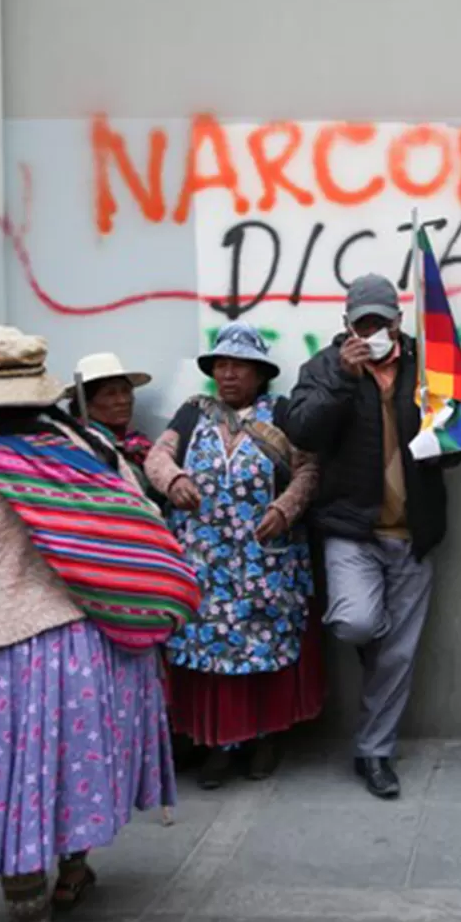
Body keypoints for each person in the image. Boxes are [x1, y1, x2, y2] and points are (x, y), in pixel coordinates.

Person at [0, 327, 183, 922]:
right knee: (67, 774)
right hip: (87, 651)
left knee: (17, 795)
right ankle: (74, 872)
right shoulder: (95, 458)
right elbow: (146, 532)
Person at [280, 274, 461, 799]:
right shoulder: (323, 368)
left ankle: (375, 752)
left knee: (399, 657)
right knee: (358, 622)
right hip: (350, 529)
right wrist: (342, 377)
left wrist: (445, 430)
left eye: (381, 321)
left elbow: (457, 442)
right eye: (363, 323)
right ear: (346, 326)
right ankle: (377, 650)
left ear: (398, 322)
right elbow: (302, 430)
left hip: (414, 531)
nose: (373, 330)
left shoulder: (428, 367)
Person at [144, 323, 323, 790]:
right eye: (221, 365)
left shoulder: (283, 413)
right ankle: (217, 745)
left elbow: (308, 469)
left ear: (260, 372)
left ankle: (265, 738)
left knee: (263, 652)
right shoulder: (193, 414)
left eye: (238, 365)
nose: (227, 374)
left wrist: (286, 509)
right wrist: (173, 480)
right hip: (204, 565)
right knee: (208, 656)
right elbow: (156, 458)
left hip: (264, 564)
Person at [66, 352, 159, 503]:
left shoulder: (136, 446)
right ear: (87, 405)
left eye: (125, 391)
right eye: (110, 394)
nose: (123, 400)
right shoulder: (81, 446)